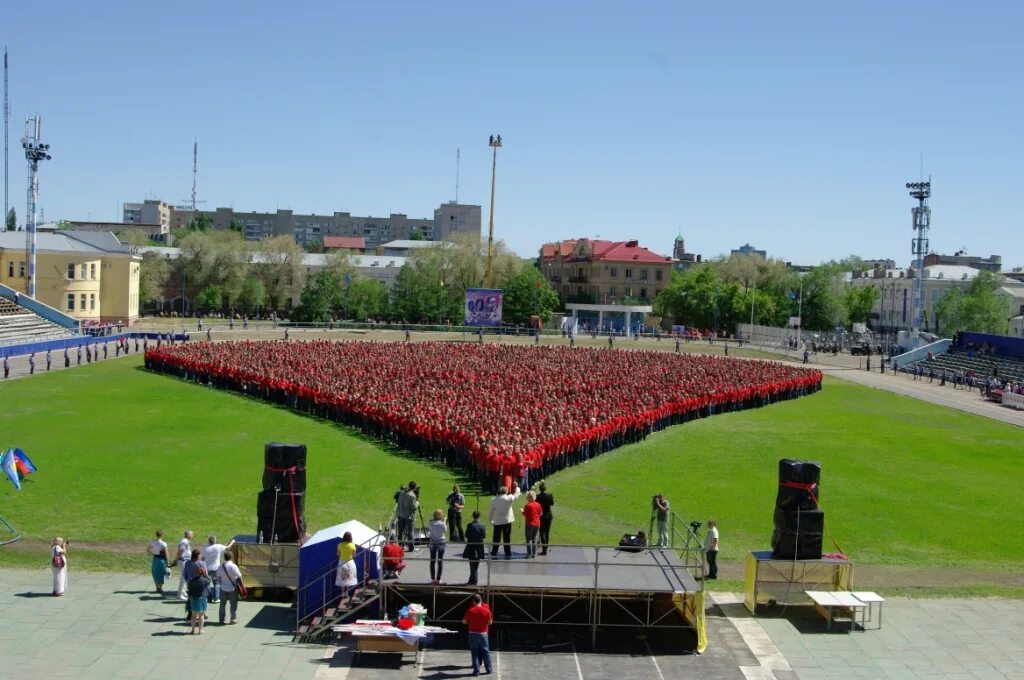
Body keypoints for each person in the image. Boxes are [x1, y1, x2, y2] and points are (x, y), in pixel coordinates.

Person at [463, 593, 493, 676]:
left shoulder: (470, 610)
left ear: (474, 601)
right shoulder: (487, 610)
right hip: (483, 633)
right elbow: (490, 623)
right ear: (481, 600)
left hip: (473, 633)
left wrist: (470, 622)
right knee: (486, 652)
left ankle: (476, 671)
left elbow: (464, 621)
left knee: (475, 652)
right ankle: (489, 669)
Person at [488, 483, 520, 559]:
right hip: (507, 521)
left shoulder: (494, 499)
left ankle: (494, 551)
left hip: (498, 521)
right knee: (507, 537)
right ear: (506, 492)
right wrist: (517, 487)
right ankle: (507, 552)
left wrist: (490, 520)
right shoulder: (508, 498)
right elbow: (517, 495)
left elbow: (491, 511)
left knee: (496, 537)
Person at [202, 535, 235, 604]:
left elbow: (203, 558)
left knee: (207, 583)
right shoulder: (218, 546)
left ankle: (209, 597)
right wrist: (232, 541)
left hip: (206, 568)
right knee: (216, 583)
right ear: (215, 540)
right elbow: (228, 547)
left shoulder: (205, 547)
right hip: (215, 568)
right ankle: (216, 598)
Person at [217, 551, 245, 624]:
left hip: (223, 588)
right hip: (233, 588)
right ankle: (233, 619)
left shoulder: (220, 566)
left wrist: (222, 584)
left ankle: (221, 619)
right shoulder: (233, 566)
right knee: (233, 604)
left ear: (224, 557)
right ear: (231, 557)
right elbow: (239, 576)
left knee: (222, 605)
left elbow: (218, 577)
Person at [182, 548, 207, 621]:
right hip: (200, 583)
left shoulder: (187, 563)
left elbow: (184, 574)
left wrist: (188, 580)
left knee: (191, 598)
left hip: (190, 583)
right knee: (202, 598)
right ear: (198, 555)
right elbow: (205, 574)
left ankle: (190, 613)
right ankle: (202, 613)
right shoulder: (202, 563)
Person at [463, 510, 486, 585]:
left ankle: (473, 580)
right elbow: (484, 536)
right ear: (479, 516)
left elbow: (466, 535)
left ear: (473, 516)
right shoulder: (482, 525)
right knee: (476, 564)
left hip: (471, 546)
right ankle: (473, 580)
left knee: (472, 564)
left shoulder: (469, 525)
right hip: (479, 546)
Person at [395, 481, 419, 551]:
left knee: (400, 532)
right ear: (414, 487)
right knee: (410, 532)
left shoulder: (402, 493)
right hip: (409, 516)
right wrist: (417, 503)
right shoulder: (412, 496)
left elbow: (398, 502)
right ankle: (411, 547)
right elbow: (413, 507)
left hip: (401, 514)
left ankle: (400, 546)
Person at [187, 566, 211, 634]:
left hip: (194, 598)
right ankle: (201, 630)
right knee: (201, 615)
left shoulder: (192, 580)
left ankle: (193, 629)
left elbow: (189, 589)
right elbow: (209, 580)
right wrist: (206, 574)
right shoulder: (205, 580)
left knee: (193, 615)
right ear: (203, 573)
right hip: (202, 598)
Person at [428, 509, 447, 584]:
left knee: (432, 561)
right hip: (441, 542)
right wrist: (444, 521)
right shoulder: (442, 523)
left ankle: (433, 578)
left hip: (432, 542)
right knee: (440, 561)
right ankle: (438, 579)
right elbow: (445, 530)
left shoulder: (430, 522)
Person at [521, 491, 542, 558]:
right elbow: (540, 514)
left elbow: (524, 514)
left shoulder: (527, 505)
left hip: (530, 523)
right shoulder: (538, 504)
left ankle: (529, 554)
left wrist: (522, 511)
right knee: (534, 538)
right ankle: (534, 553)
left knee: (529, 539)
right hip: (537, 523)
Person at [536, 481, 555, 556]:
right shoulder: (549, 495)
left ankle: (544, 550)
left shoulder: (538, 497)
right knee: (547, 532)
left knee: (542, 532)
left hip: (541, 516)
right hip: (548, 515)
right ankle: (545, 547)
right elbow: (552, 504)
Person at [175, 530, 194, 600]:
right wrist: (176, 560)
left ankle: (183, 592)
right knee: (183, 578)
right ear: (188, 535)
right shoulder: (184, 542)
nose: (192, 536)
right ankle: (179, 594)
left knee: (185, 577)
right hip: (183, 561)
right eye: (191, 534)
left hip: (185, 561)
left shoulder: (186, 541)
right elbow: (180, 551)